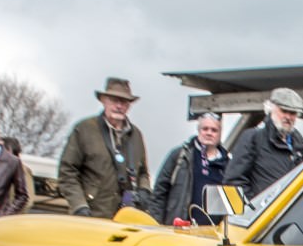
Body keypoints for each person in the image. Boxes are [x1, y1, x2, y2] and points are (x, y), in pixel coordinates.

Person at [58, 77, 149, 218]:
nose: (119, 106)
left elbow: (143, 172)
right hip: (90, 216)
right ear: (103, 100)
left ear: (129, 105)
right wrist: (79, 206)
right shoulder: (85, 129)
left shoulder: (136, 135)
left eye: (124, 102)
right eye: (114, 100)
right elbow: (67, 172)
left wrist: (144, 190)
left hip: (125, 218)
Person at [225, 87, 303, 197]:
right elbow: (233, 180)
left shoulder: (302, 147)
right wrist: (254, 204)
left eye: (292, 113)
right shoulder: (253, 138)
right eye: (284, 111)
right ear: (271, 109)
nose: (288, 117)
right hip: (265, 207)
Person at [151, 113, 230, 225]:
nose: (209, 133)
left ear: (220, 133)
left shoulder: (227, 164)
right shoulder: (180, 156)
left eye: (214, 130)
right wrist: (156, 223)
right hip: (179, 227)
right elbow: (160, 191)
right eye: (205, 129)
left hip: (213, 230)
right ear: (198, 130)